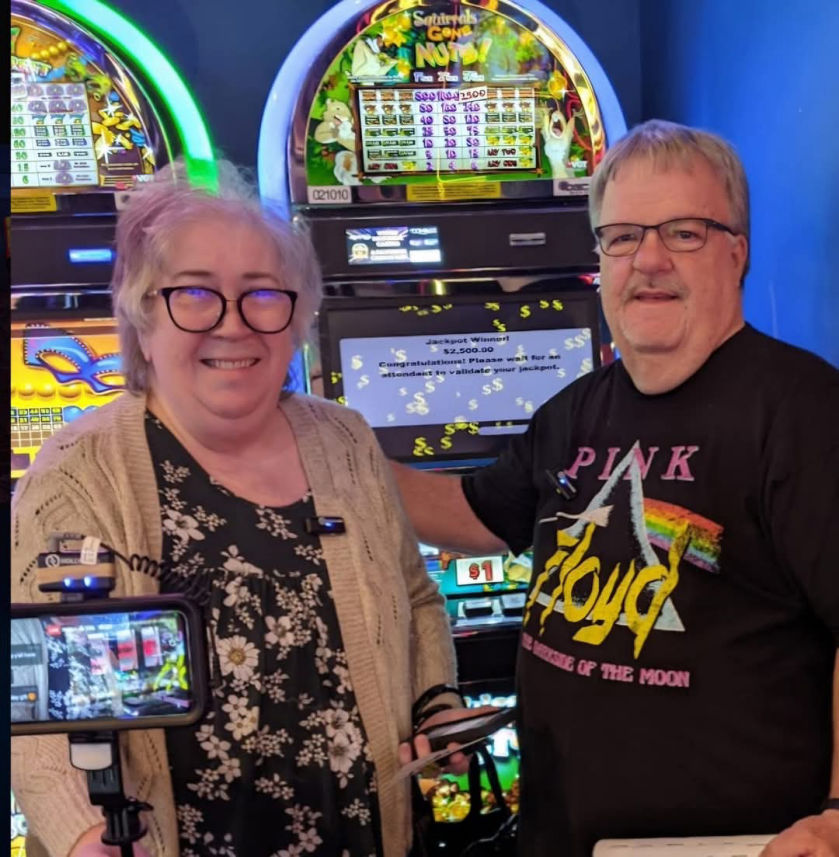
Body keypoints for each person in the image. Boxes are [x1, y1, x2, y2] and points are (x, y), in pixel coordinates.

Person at [392, 119, 839, 857]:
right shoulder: (576, 409)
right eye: (622, 236)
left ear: (737, 251)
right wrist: (328, 445)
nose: (649, 260)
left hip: (733, 845)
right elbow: (471, 512)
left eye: (684, 233)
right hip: (561, 835)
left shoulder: (801, 410)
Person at [10, 160, 474, 857]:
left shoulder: (344, 440)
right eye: (196, 294)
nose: (233, 325)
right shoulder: (82, 470)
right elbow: (35, 691)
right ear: (142, 310)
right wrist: (81, 836)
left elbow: (416, 598)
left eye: (262, 295)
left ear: (297, 317)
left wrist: (435, 705)